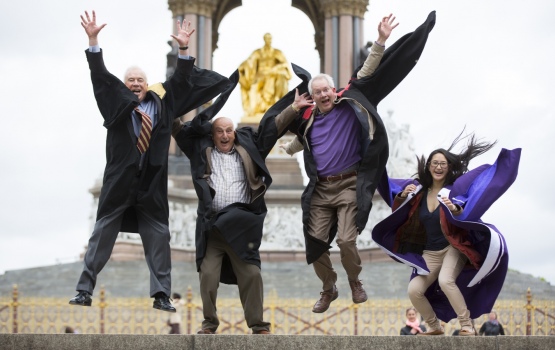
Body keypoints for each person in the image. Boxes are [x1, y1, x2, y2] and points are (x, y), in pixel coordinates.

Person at [69, 11, 230, 312]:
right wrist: (93, 42)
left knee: (159, 238)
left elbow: (182, 80)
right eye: (130, 80)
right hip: (119, 183)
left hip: (152, 185)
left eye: (140, 80)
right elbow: (100, 78)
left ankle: (161, 295)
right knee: (102, 234)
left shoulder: (163, 104)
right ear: (124, 84)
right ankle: (84, 290)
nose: (135, 84)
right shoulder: (115, 105)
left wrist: (184, 49)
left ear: (147, 84)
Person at [280, 12, 436, 313]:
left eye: (326, 89)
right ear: (312, 97)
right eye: (317, 92)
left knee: (346, 241)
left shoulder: (350, 102)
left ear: (333, 91)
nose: (323, 94)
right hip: (321, 190)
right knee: (314, 243)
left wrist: (380, 39)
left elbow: (367, 69)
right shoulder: (310, 121)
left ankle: (355, 281)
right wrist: (287, 149)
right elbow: (300, 143)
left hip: (350, 185)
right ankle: (328, 288)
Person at [171, 69, 313, 334]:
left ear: (234, 133)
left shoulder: (248, 148)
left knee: (252, 275)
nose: (225, 135)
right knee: (208, 275)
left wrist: (294, 108)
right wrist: (170, 106)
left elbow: (272, 129)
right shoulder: (200, 151)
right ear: (212, 135)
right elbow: (178, 130)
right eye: (220, 132)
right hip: (212, 228)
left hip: (241, 226)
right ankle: (209, 323)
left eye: (229, 131)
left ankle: (258, 325)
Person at [373, 132, 521, 336]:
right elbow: (397, 202)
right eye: (435, 163)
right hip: (430, 253)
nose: (439, 167)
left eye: (443, 163)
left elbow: (463, 210)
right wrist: (402, 196)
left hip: (453, 247)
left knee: (445, 280)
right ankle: (434, 326)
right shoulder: (418, 191)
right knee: (414, 290)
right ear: (429, 167)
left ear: (449, 167)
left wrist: (455, 210)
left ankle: (467, 324)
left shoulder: (453, 191)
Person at [238, 33, 292, 117]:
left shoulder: (277, 52)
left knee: (280, 75)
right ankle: (257, 108)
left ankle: (277, 100)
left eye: (270, 38)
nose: (268, 40)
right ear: (264, 39)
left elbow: (285, 65)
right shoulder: (258, 52)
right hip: (260, 76)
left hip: (274, 74)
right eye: (267, 38)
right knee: (254, 86)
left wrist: (275, 69)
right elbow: (248, 63)